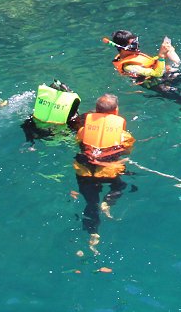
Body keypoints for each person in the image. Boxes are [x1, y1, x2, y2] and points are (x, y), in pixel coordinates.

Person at [70, 93, 135, 254]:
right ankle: (108, 201)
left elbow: (78, 144)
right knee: (121, 185)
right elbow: (127, 152)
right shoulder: (124, 135)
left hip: (84, 171)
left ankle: (93, 233)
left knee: (91, 203)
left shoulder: (83, 130)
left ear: (97, 111)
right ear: (116, 111)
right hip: (108, 171)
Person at [20, 80, 81, 150]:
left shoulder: (41, 109)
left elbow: (25, 125)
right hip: (60, 138)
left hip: (39, 136)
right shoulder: (69, 112)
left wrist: (29, 140)